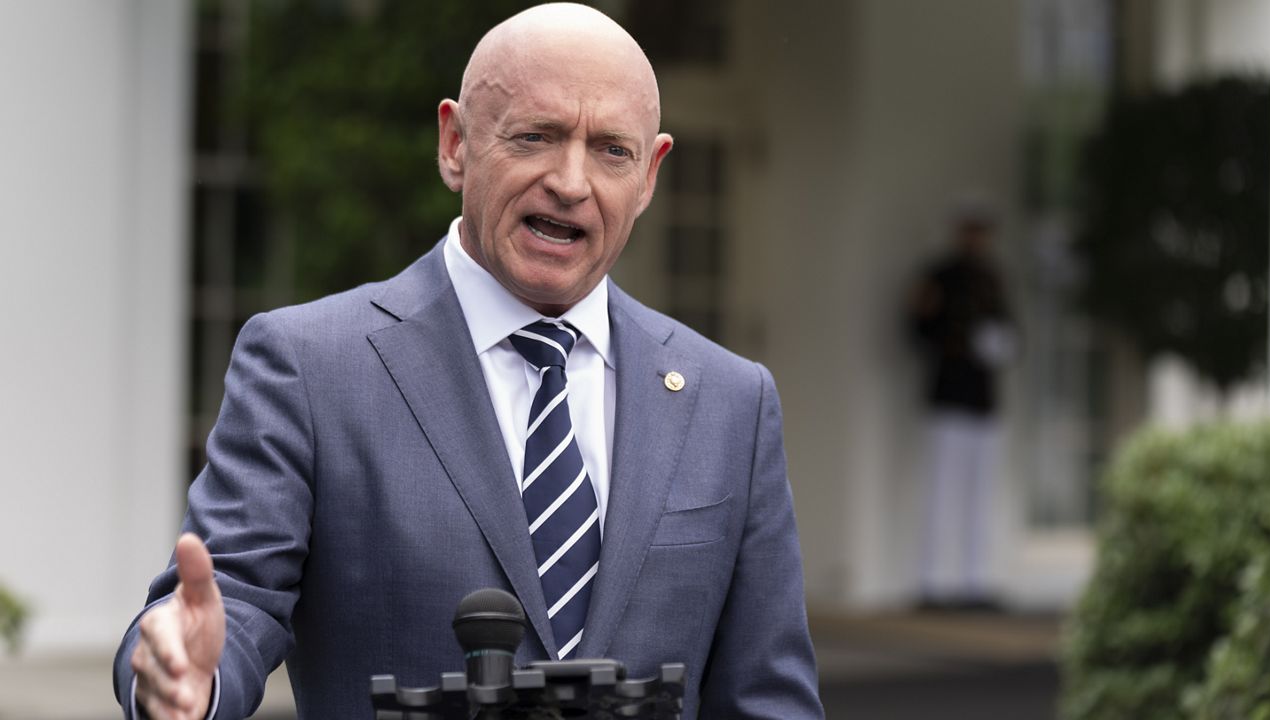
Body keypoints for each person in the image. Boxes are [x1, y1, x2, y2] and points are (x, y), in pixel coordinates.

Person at [113, 4, 822, 718]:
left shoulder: (730, 401)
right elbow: (227, 602)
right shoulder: (309, 367)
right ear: (455, 144)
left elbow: (770, 699)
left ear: (649, 176)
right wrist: (187, 678)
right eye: (536, 136)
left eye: (612, 150)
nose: (571, 182)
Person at [908, 204, 1016, 611]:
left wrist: (1001, 344)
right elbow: (919, 329)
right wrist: (958, 344)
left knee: (981, 494)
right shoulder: (940, 277)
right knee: (942, 490)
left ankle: (976, 580)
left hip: (983, 400)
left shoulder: (994, 277)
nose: (977, 239)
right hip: (948, 397)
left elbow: (1010, 329)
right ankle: (933, 581)